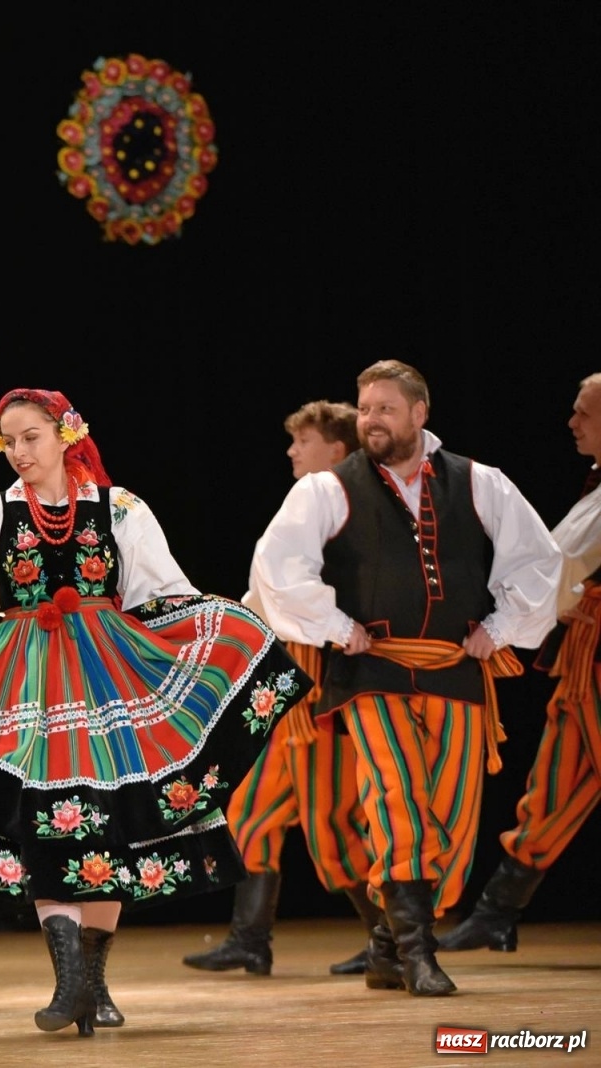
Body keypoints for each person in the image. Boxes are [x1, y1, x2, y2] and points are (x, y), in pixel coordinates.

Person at [0, 388, 312, 1037]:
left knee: (107, 822)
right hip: (27, 679)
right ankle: (69, 983)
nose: (19, 451)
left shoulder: (119, 508)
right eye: (9, 441)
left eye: (30, 437)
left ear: (65, 435)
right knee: (44, 820)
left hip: (109, 674)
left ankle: (93, 983)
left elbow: (164, 590)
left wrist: (221, 625)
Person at [249, 359, 560, 997]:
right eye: (365, 408)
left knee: (453, 812)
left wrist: (499, 628)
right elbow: (277, 568)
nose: (371, 420)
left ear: (420, 413)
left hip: (454, 666)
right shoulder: (329, 489)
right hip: (373, 670)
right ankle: (419, 952)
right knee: (398, 796)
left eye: (385, 409)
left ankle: (386, 945)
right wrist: (337, 625)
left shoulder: (478, 482)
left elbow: (538, 560)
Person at [183, 400, 381, 976]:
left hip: (324, 682)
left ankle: (390, 938)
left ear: (337, 451)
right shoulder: (307, 507)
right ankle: (250, 938)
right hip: (289, 681)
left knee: (332, 827)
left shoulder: (352, 511)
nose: (292, 451)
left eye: (304, 441)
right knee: (251, 813)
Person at [438, 373, 601, 953]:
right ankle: (497, 911)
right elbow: (562, 568)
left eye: (584, 412)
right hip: (584, 654)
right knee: (560, 776)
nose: (572, 422)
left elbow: (560, 567)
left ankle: (495, 911)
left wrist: (504, 622)